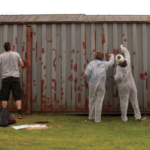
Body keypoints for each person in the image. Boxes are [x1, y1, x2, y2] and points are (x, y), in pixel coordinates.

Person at [113, 45, 141, 122]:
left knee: (124, 101)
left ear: (117, 61)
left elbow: (119, 78)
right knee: (135, 101)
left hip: (123, 86)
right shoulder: (127, 61)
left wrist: (115, 77)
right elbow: (127, 53)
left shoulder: (118, 67)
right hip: (132, 84)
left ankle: (124, 118)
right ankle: (138, 116)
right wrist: (122, 48)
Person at [85, 50, 114, 122]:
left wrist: (93, 74)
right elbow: (111, 63)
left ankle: (91, 116)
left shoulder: (91, 63)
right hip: (101, 84)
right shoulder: (105, 64)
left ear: (95, 56)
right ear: (102, 56)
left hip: (92, 84)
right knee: (99, 100)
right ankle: (97, 119)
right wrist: (112, 57)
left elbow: (87, 74)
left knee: (92, 99)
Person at [0, 42, 24, 119]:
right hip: (15, 77)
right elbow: (22, 64)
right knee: (17, 95)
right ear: (11, 47)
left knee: (4, 96)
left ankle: (3, 113)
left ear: (4, 48)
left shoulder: (1, 56)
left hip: (5, 78)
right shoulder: (16, 54)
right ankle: (19, 113)